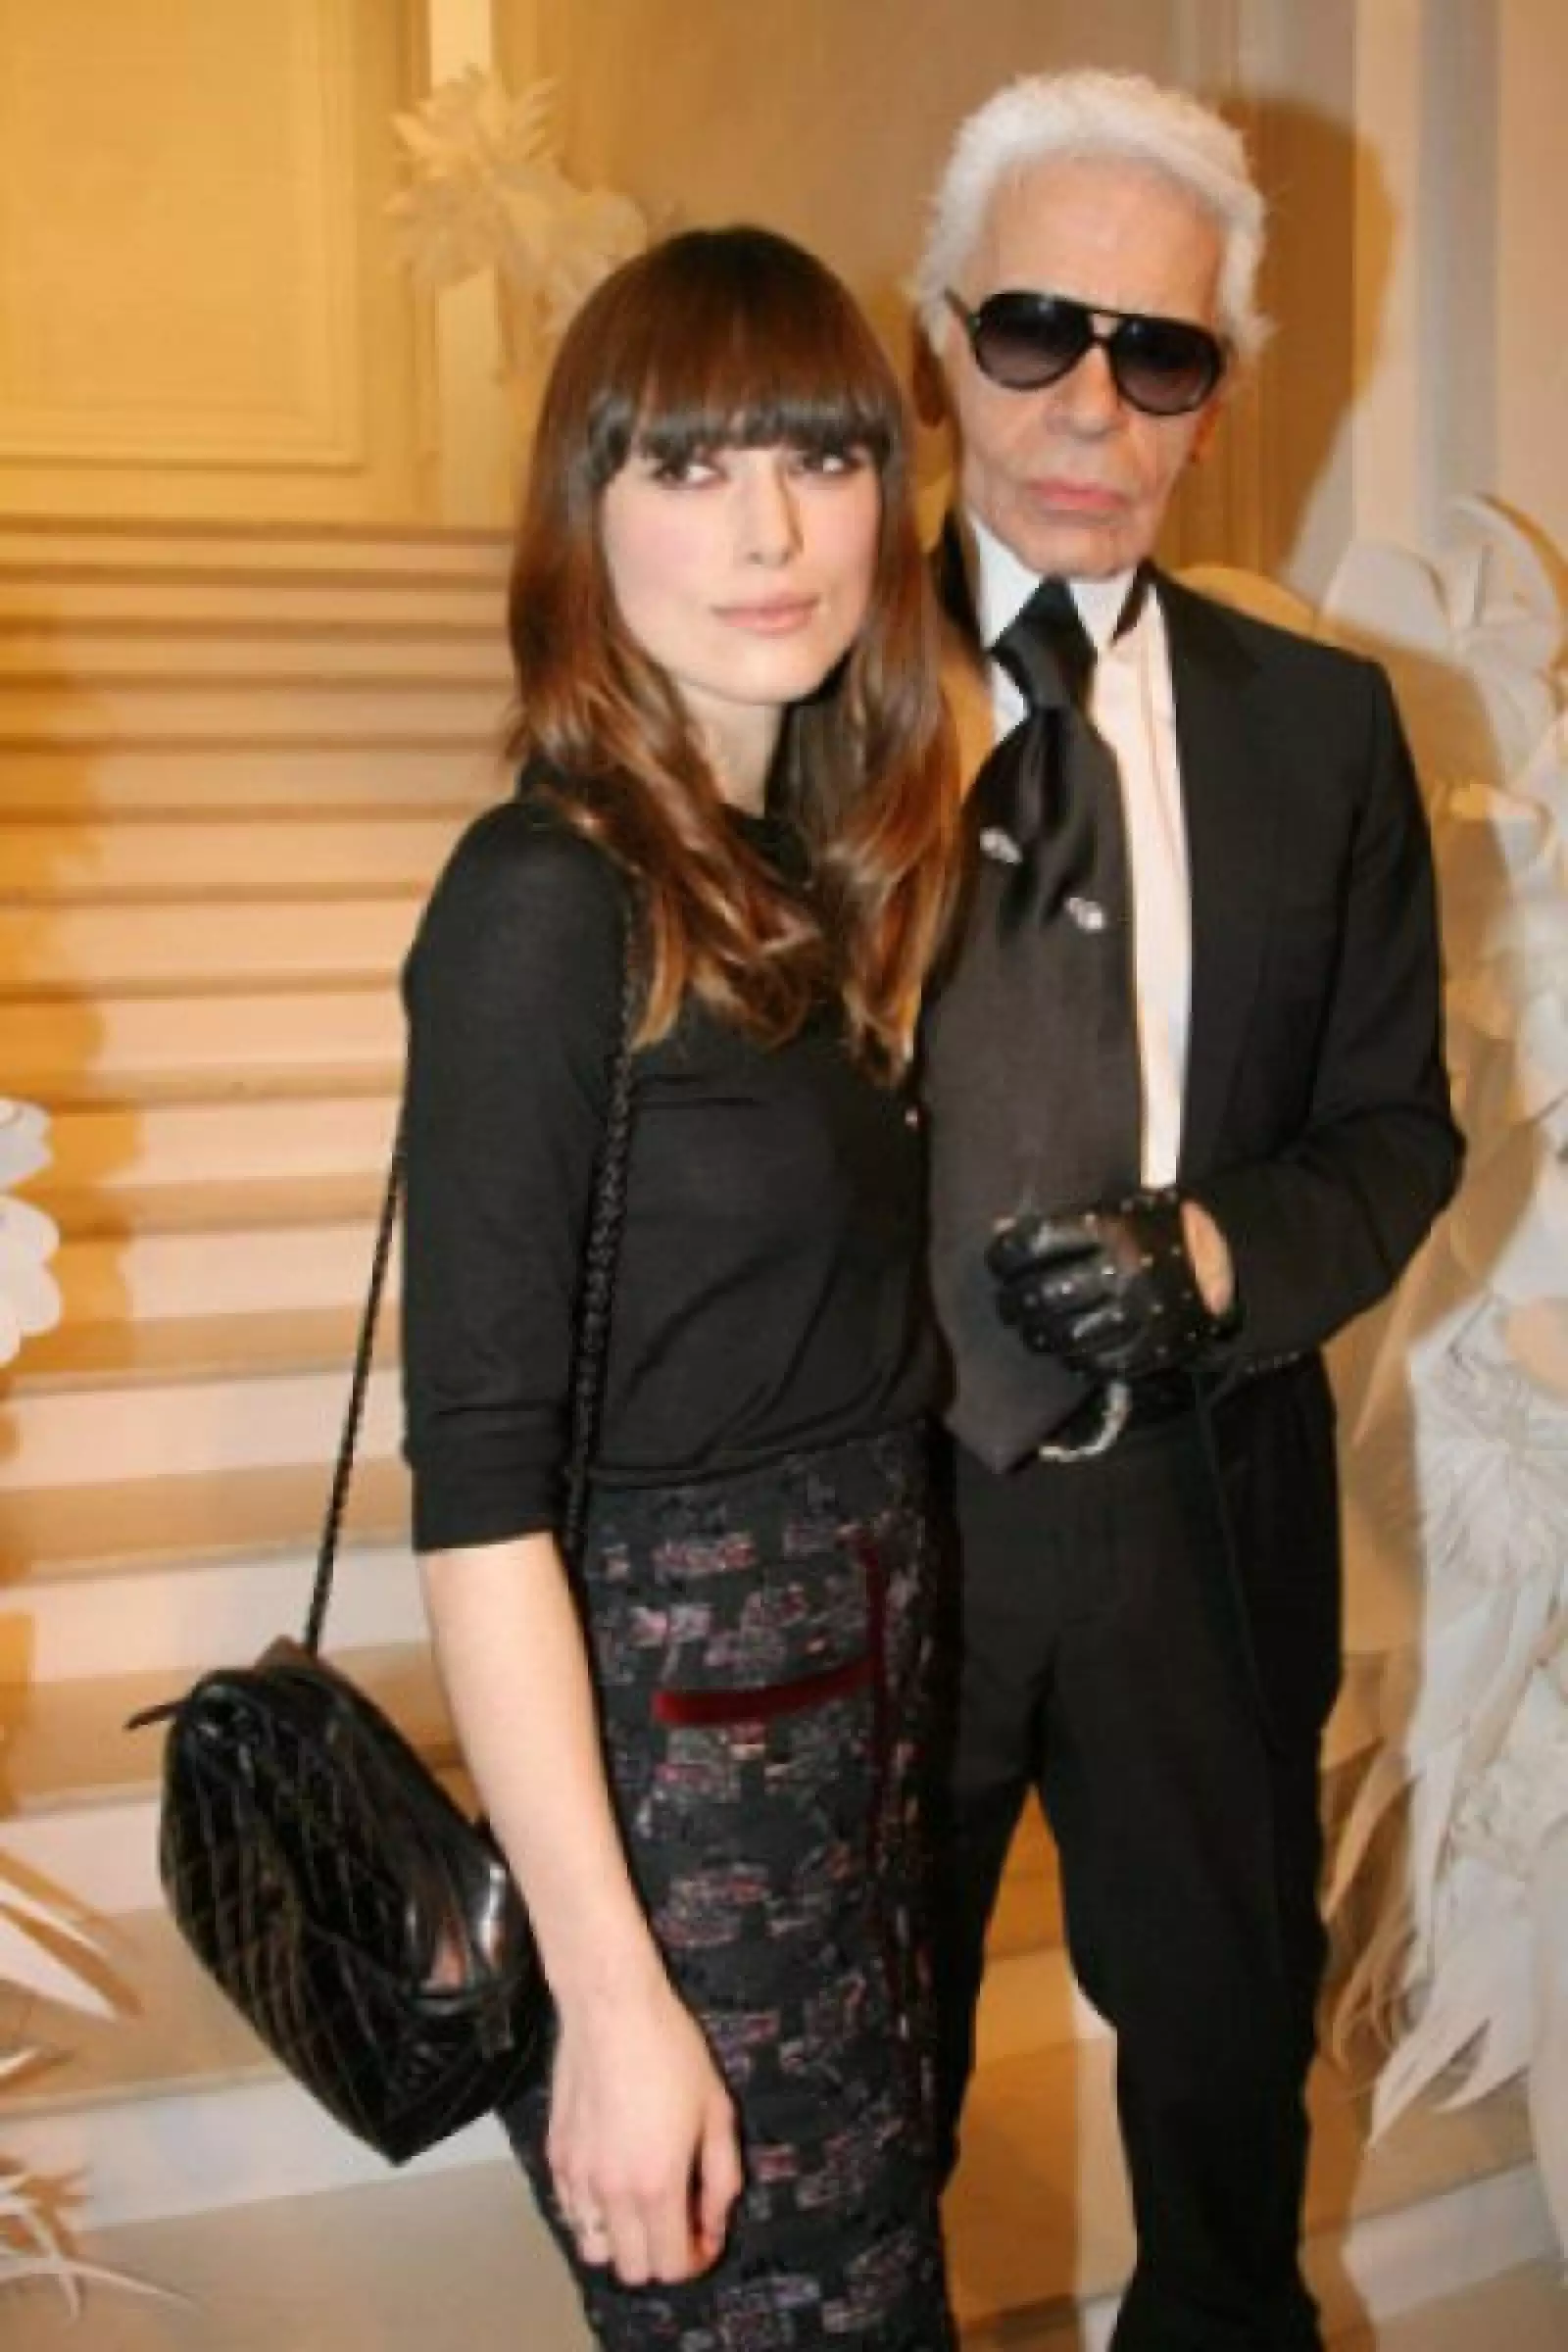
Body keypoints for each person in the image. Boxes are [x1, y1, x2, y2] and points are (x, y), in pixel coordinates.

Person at [913, 71, 1463, 2351]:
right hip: (878, 1532)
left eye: (1156, 353)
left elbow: (1393, 1132)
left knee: (1228, 2123)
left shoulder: (1320, 733)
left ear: (1212, 400)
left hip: (1198, 1527)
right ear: (938, 339)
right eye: (1032, 329)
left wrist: (1219, 1255)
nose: (1087, 403)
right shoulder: (789, 690)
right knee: (852, 2124)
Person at [399, 224, 960, 2350]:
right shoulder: (540, 902)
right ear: (586, 512)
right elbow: (480, 1502)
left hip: (844, 1780)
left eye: (821, 457)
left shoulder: (797, 875)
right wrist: (616, 1999)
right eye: (692, 466)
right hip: (678, 1827)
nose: (771, 532)